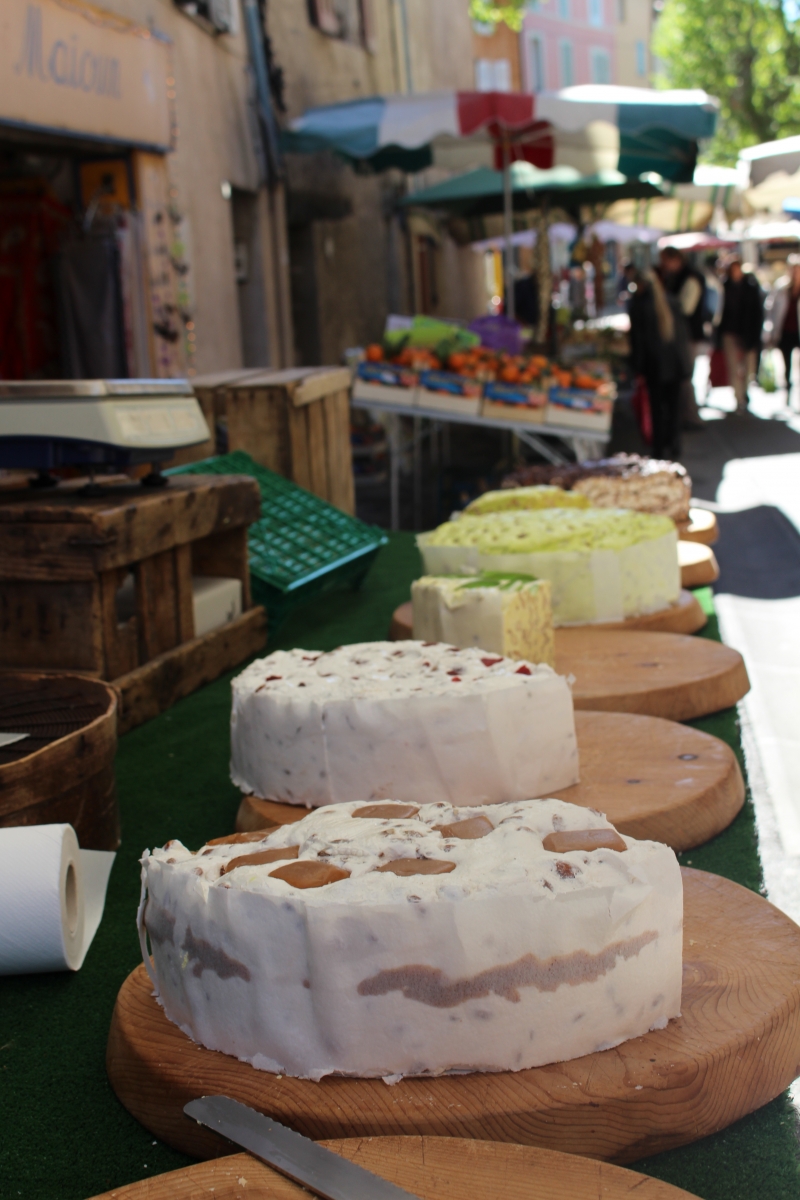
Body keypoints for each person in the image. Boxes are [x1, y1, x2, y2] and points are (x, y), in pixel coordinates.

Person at [628, 268, 692, 459]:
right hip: (674, 366)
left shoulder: (640, 306)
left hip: (655, 367)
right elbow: (683, 338)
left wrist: (637, 368)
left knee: (657, 410)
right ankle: (674, 444)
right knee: (673, 409)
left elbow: (638, 342)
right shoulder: (671, 301)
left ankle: (659, 448)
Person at [658, 246, 708, 429]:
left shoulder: (690, 278)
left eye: (665, 261)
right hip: (681, 335)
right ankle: (685, 415)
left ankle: (691, 416)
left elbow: (686, 308)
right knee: (682, 375)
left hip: (688, 335)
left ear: (674, 260)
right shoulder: (675, 277)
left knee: (685, 374)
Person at [716, 257, 764, 414]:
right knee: (734, 367)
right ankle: (739, 397)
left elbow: (757, 313)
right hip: (730, 332)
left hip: (748, 334)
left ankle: (744, 393)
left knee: (748, 368)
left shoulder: (751, 286)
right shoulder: (724, 287)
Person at [763, 254, 800, 401]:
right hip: (785, 331)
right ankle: (788, 390)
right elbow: (770, 310)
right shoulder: (781, 287)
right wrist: (770, 331)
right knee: (787, 364)